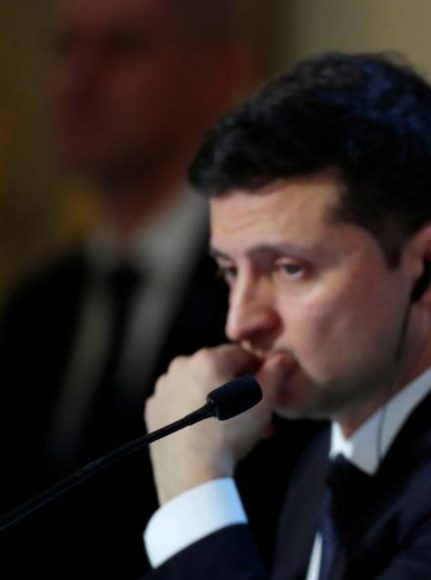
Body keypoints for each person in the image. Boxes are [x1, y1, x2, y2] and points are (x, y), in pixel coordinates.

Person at [142, 51, 431, 580]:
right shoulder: (324, 444)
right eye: (230, 270)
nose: (240, 322)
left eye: (290, 268)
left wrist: (193, 484)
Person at [0, 1, 313, 576]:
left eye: (123, 48)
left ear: (218, 72)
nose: (79, 81)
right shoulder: (36, 306)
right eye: (67, 47)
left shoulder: (269, 304)